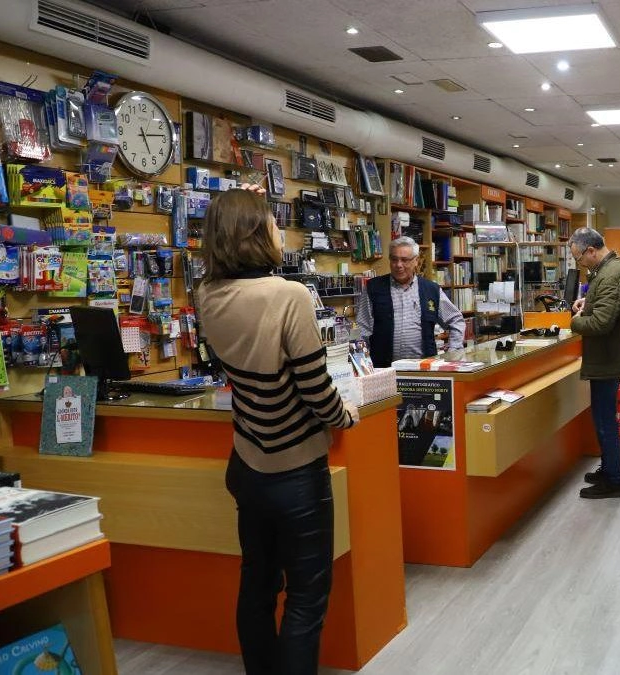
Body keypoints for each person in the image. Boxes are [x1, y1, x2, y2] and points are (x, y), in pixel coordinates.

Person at [194, 187, 360, 675]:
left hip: (247, 462)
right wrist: (346, 415)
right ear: (255, 233)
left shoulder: (207, 294)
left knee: (258, 586)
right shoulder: (289, 295)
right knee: (307, 597)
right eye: (271, 221)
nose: (279, 230)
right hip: (296, 470)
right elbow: (315, 388)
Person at [569, 227, 620, 499]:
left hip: (607, 358)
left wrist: (576, 321)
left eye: (579, 258)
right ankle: (609, 468)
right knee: (603, 418)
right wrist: (588, 301)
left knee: (604, 421)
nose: (579, 263)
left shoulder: (610, 274)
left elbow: (601, 322)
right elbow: (607, 304)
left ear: (591, 250)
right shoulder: (612, 268)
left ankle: (613, 480)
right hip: (609, 355)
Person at [356, 236, 466, 367]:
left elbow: (456, 320)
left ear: (416, 261)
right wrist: (362, 365)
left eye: (404, 260)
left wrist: (453, 352)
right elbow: (362, 330)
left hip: (423, 369)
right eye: (394, 259)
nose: (399, 265)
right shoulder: (373, 288)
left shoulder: (431, 290)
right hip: (384, 369)